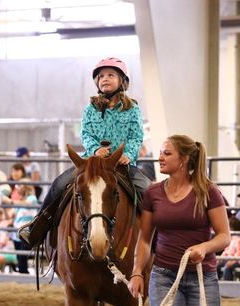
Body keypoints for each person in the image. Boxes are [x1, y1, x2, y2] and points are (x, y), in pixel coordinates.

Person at [127, 134, 231, 306]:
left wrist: (204, 247)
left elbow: (224, 236)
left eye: (166, 153)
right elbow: (145, 240)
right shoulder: (153, 193)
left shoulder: (208, 192)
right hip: (163, 278)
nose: (160, 157)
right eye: (160, 153)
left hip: (201, 279)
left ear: (183, 160)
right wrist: (137, 272)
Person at [19, 57, 150, 248]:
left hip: (121, 164)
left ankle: (160, 238)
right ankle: (37, 228)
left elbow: (136, 136)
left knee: (147, 190)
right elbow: (86, 133)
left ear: (122, 81)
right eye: (101, 76)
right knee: (60, 184)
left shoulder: (132, 109)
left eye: (111, 75)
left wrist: (128, 154)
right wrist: (96, 149)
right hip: (93, 163)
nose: (105, 79)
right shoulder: (90, 109)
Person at [218, 216, 240, 281]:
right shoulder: (229, 240)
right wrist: (220, 259)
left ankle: (227, 284)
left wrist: (232, 261)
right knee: (216, 265)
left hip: (237, 262)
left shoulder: (239, 240)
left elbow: (239, 254)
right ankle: (216, 283)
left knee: (228, 267)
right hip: (227, 259)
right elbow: (225, 251)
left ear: (232, 228)